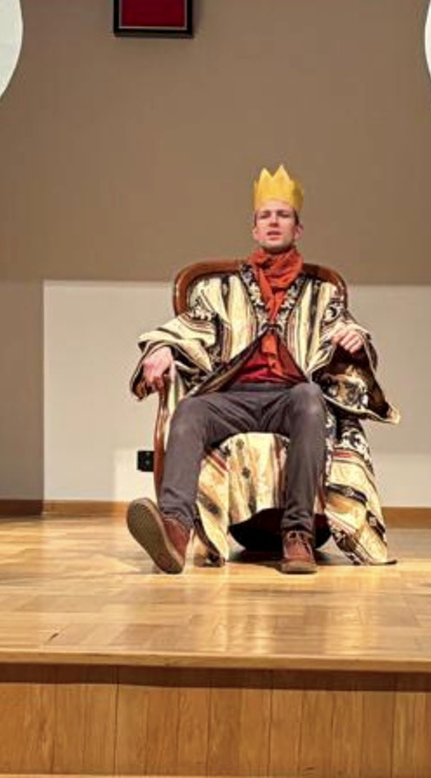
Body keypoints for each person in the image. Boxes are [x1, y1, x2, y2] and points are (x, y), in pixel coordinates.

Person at [126, 166, 398, 576]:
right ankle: (175, 533)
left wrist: (354, 340)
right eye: (265, 216)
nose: (273, 222)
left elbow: (343, 330)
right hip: (232, 400)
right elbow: (192, 325)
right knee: (190, 410)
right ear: (254, 229)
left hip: (289, 399)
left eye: (282, 215)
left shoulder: (322, 291)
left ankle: (297, 534)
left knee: (310, 398)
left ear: (297, 228)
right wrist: (163, 346)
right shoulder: (222, 289)